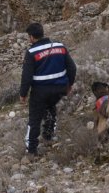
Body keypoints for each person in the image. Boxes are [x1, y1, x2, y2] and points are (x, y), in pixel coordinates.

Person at [19, 23, 77, 156]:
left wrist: (23, 94)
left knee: (34, 119)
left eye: (29, 37)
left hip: (40, 91)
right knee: (51, 110)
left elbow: (26, 77)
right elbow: (72, 68)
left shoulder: (31, 52)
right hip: (60, 89)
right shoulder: (60, 46)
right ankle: (48, 136)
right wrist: (69, 85)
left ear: (32, 37)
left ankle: (32, 150)